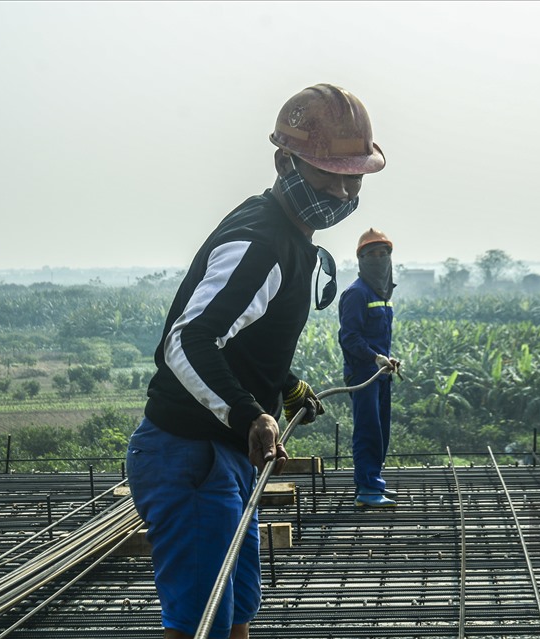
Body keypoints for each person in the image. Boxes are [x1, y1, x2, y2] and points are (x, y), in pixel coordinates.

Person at [126, 84, 385, 639]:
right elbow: (187, 343)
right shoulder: (260, 243)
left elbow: (237, 340)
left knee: (238, 609)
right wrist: (250, 415)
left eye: (352, 175)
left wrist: (284, 387)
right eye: (326, 172)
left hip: (225, 458)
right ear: (284, 161)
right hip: (190, 457)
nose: (340, 188)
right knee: (202, 623)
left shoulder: (287, 232)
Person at [338, 228, 400, 508]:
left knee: (381, 430)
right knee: (368, 430)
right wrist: (375, 358)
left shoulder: (383, 293)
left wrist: (387, 359)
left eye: (382, 254)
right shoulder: (356, 293)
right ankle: (366, 488)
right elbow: (349, 337)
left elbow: (378, 335)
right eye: (371, 254)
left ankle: (374, 482)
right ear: (361, 259)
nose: (378, 259)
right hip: (363, 374)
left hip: (381, 374)